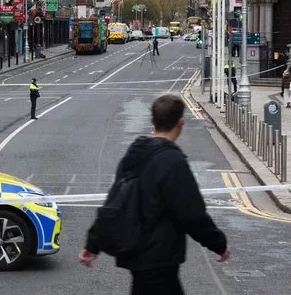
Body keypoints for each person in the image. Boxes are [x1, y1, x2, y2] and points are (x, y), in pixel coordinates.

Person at [78, 95, 230, 295]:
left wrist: (93, 244)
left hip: (137, 253)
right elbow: (191, 213)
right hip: (159, 256)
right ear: (180, 123)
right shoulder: (173, 161)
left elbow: (114, 201)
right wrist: (218, 243)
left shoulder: (134, 154)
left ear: (152, 120)